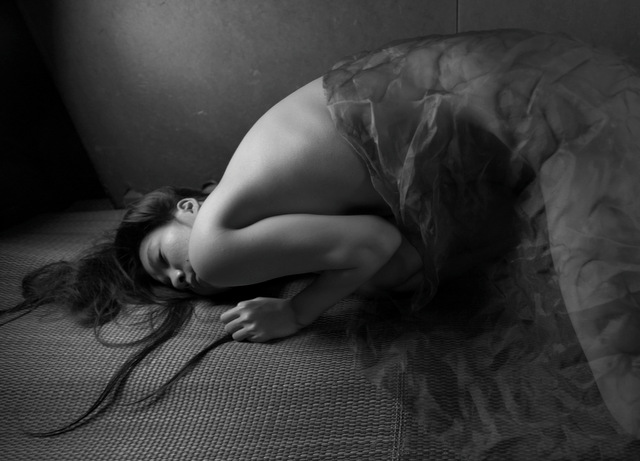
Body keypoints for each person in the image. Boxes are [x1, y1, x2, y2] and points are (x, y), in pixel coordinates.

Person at [3, 29, 639, 439]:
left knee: (623, 390)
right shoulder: (265, 173)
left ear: (187, 209)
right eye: (174, 286)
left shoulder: (216, 242)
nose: (182, 277)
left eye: (161, 258)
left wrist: (298, 312)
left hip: (556, 114)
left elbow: (375, 247)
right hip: (543, 68)